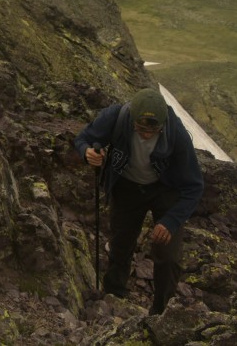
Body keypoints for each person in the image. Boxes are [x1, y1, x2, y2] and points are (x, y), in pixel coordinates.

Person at [74, 87, 204, 315]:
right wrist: (87, 153)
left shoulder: (177, 134)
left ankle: (161, 313)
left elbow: (194, 185)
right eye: (141, 128)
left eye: (152, 130)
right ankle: (114, 296)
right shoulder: (116, 117)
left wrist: (171, 221)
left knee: (168, 254)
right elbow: (83, 138)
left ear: (162, 125)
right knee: (121, 243)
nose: (145, 134)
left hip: (165, 189)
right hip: (127, 187)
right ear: (133, 118)